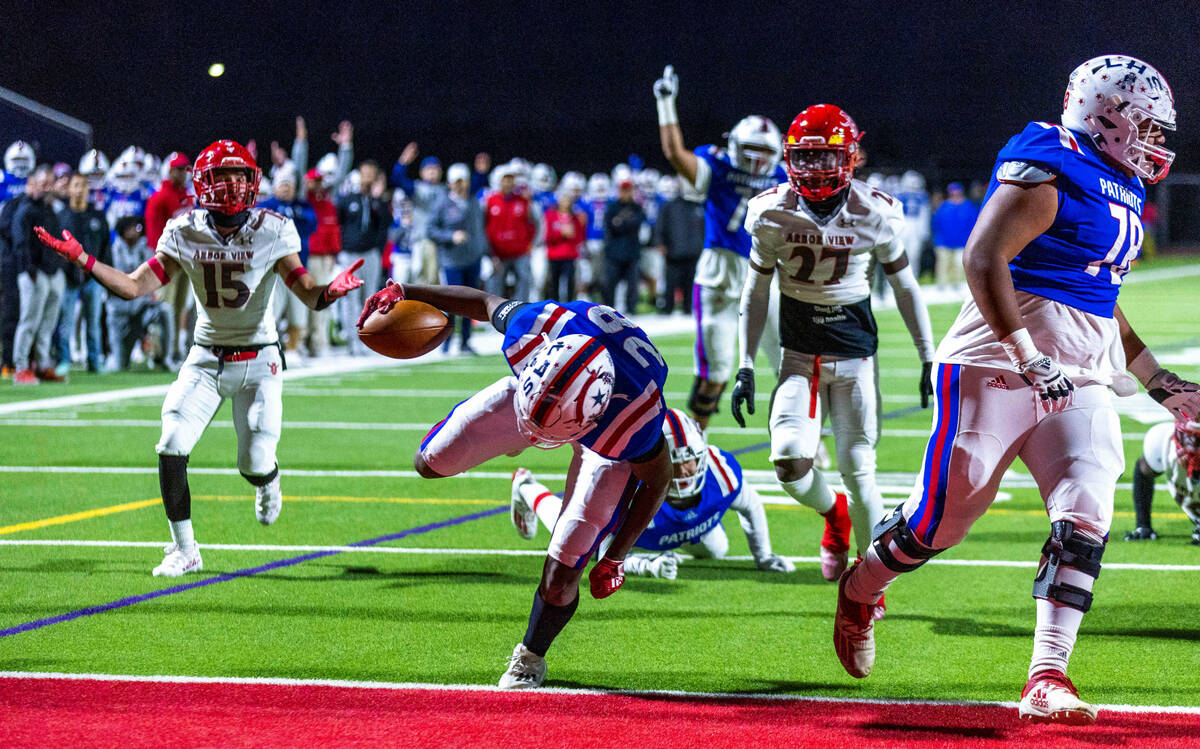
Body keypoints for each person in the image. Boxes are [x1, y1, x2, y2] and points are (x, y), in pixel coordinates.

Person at [831, 55, 1190, 726]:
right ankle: (861, 587)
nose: (1155, 140)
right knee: (941, 520)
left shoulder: (1126, 184)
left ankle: (1047, 673)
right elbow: (981, 256)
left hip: (1078, 374)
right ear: (1104, 114)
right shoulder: (1052, 157)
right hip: (993, 363)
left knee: (1086, 507)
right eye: (1145, 124)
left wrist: (1158, 382)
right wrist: (1028, 355)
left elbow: (1099, 298)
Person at [36, 139, 364, 577]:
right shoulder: (183, 229)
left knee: (253, 462)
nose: (231, 184)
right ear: (202, 183)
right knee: (171, 440)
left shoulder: (274, 228)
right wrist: (83, 259)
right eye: (222, 175)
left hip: (259, 360)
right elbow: (134, 286)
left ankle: (267, 480)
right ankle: (186, 549)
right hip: (206, 357)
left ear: (254, 181)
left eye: (239, 175)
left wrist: (329, 293)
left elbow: (306, 291)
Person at [357, 282, 672, 690]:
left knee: (563, 573)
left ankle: (530, 657)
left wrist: (615, 555)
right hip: (545, 392)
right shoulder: (534, 328)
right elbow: (485, 302)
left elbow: (658, 478)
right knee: (430, 463)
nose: (534, 435)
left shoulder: (633, 420)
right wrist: (404, 290)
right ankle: (527, 452)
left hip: (602, 437)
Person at [732, 105, 935, 588]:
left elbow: (906, 287)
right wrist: (745, 364)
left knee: (858, 468)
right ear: (789, 159)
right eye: (805, 157)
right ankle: (834, 513)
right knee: (788, 462)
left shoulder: (875, 210)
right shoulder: (768, 211)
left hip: (854, 358)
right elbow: (755, 291)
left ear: (850, 157)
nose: (815, 169)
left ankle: (869, 583)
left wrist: (929, 356)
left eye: (827, 157)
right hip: (799, 358)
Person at [511, 407, 794, 579]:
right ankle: (527, 488)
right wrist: (646, 565)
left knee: (717, 549)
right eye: (676, 462)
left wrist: (764, 556)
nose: (685, 471)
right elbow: (604, 554)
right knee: (576, 537)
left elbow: (751, 504)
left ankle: (676, 535)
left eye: (690, 460)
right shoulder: (630, 485)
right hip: (626, 530)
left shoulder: (721, 474)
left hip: (676, 526)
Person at [654, 64, 786, 428]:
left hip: (767, 280)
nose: (758, 160)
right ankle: (692, 444)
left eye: (764, 151)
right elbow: (674, 154)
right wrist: (666, 104)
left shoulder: (784, 177)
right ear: (734, 145)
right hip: (720, 277)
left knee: (790, 369)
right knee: (716, 373)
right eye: (751, 150)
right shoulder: (717, 166)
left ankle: (807, 444)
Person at [12, 166, 66, 384]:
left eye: (49, 182)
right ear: (32, 183)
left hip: (53, 272)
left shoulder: (50, 210)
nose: (47, 187)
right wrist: (30, 271)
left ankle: (43, 364)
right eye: (43, 182)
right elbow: (20, 244)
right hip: (35, 273)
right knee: (29, 321)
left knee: (48, 323)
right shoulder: (25, 210)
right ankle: (21, 366)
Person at [426, 163, 487, 354]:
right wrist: (450, 236)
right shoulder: (442, 203)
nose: (461, 185)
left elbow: (480, 230)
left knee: (471, 304)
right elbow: (430, 230)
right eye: (457, 181)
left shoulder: (473, 201)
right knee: (452, 303)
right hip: (452, 259)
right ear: (450, 183)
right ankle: (446, 341)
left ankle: (465, 342)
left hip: (473, 258)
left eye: (464, 181)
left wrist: (484, 252)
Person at [55, 173, 111, 374]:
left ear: (89, 190)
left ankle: (94, 361)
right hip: (68, 276)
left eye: (84, 186)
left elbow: (105, 248)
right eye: (76, 185)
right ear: (69, 189)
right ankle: (64, 360)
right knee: (66, 321)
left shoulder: (97, 216)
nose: (80, 190)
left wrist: (106, 276)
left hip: (92, 277)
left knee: (93, 321)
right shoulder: (61, 216)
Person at [260, 167, 317, 359]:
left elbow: (312, 225)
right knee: (272, 312)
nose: (285, 189)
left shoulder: (303, 207)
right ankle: (268, 350)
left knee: (298, 312)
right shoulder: (265, 206)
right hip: (274, 269)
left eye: (288, 185)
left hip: (299, 267)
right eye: (282, 185)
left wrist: (291, 215)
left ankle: (292, 349)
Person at [105, 216, 174, 370]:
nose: (133, 232)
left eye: (137, 228)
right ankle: (110, 355)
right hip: (120, 311)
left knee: (165, 310)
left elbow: (153, 278)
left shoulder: (147, 251)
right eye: (129, 228)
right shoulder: (111, 251)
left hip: (142, 308)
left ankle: (165, 358)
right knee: (119, 366)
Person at [337, 160, 391, 355]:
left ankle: (367, 339)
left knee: (370, 299)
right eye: (364, 173)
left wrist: (377, 200)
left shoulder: (377, 201)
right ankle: (353, 342)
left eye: (371, 173)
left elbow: (386, 222)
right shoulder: (347, 199)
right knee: (350, 299)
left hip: (371, 254)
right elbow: (339, 223)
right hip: (350, 254)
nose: (367, 177)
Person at [1123, 419, 1200, 545]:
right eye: (1193, 438)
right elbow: (1143, 470)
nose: (1195, 447)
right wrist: (1143, 525)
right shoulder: (1164, 443)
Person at [392, 145, 448, 286]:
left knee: (442, 283)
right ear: (422, 172)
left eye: (435, 169)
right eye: (429, 169)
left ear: (441, 172)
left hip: (442, 243)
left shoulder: (446, 190)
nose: (432, 172)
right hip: (421, 241)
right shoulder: (416, 188)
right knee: (422, 283)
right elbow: (397, 179)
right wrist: (403, 162)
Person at [484, 168, 537, 300]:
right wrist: (489, 251)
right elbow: (483, 226)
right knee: (495, 284)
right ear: (499, 182)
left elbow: (535, 224)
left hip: (520, 252)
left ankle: (521, 313)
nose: (508, 184)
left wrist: (532, 244)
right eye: (505, 180)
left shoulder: (523, 201)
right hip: (498, 252)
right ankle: (494, 315)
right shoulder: (490, 201)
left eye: (510, 180)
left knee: (524, 282)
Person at [653, 175, 703, 315]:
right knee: (670, 282)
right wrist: (660, 243)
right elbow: (660, 226)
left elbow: (704, 229)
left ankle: (688, 308)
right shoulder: (669, 206)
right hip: (673, 251)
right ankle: (667, 308)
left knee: (690, 282)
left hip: (693, 251)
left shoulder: (698, 205)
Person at [602, 178, 646, 313]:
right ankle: (608, 310)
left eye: (628, 190)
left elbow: (636, 224)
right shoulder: (612, 207)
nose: (626, 193)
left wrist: (621, 222)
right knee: (610, 284)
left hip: (632, 251)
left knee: (632, 284)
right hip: (614, 252)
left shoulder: (637, 207)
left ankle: (631, 309)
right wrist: (625, 223)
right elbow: (612, 226)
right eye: (623, 190)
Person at [930, 182, 980, 294]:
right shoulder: (943, 206)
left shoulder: (968, 207)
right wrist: (937, 240)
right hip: (944, 242)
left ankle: (957, 287)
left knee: (959, 266)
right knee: (943, 265)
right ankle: (942, 288)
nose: (955, 194)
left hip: (962, 242)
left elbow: (974, 225)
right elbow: (935, 224)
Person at [542, 182, 587, 302]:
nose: (566, 202)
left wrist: (581, 226)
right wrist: (561, 233)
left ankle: (569, 305)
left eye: (568, 200)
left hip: (570, 254)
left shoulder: (575, 217)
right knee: (554, 282)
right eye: (564, 199)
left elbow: (579, 237)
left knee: (570, 282)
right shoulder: (551, 215)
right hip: (555, 254)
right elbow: (548, 237)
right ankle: (554, 305)